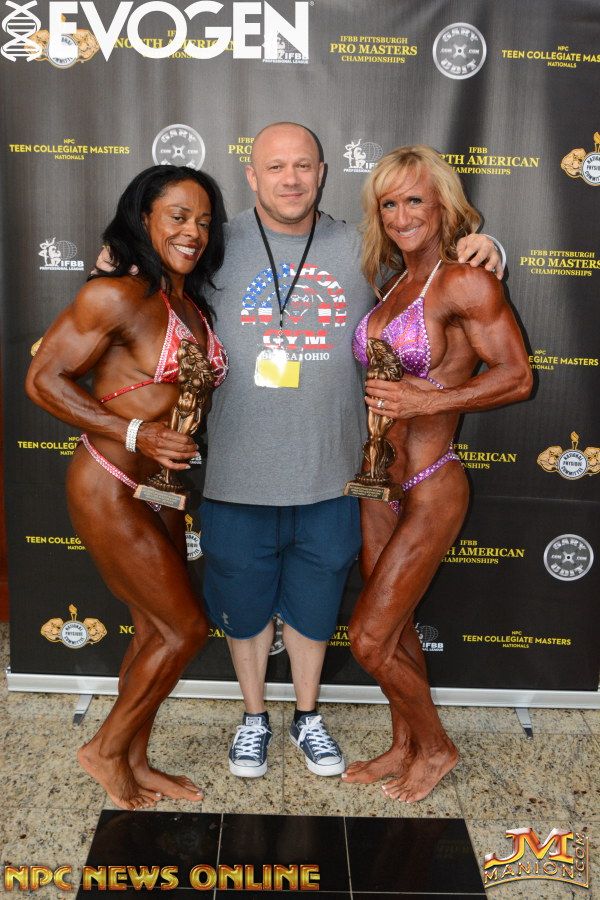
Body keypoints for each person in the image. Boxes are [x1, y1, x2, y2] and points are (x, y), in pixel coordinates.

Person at [200, 123, 503, 779]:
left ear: (322, 173)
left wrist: (487, 245)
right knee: (244, 608)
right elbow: (152, 268)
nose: (290, 178)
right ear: (251, 176)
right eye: (275, 166)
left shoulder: (360, 246)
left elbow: (433, 271)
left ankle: (308, 718)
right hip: (238, 470)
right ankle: (254, 719)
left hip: (336, 474)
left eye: (302, 165)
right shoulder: (212, 244)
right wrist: (112, 260)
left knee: (316, 607)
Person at [25, 165, 228, 810]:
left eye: (203, 221)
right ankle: (105, 750)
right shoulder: (116, 296)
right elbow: (43, 379)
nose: (193, 231)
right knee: (184, 630)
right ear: (144, 219)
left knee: (152, 630)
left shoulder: (188, 303)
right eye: (178, 217)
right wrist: (135, 432)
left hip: (161, 489)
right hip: (110, 481)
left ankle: (136, 760)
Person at [340, 145, 532, 801]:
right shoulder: (392, 283)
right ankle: (404, 744)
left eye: (414, 200)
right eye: (389, 204)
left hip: (429, 483)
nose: (401, 216)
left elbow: (517, 377)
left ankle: (438, 747)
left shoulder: (465, 282)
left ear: (443, 205)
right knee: (393, 631)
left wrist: (431, 401)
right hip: (378, 484)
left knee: (368, 639)